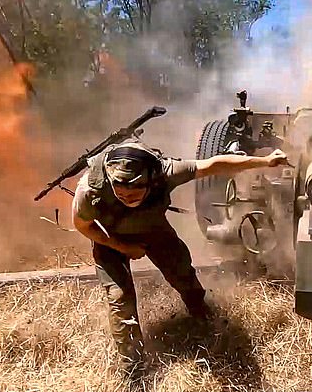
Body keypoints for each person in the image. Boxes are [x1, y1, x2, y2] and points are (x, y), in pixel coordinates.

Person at [71, 140, 289, 379]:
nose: (126, 198)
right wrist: (123, 246)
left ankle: (202, 316)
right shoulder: (91, 188)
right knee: (120, 301)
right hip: (109, 239)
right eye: (120, 194)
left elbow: (214, 164)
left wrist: (265, 161)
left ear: (150, 181)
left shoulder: (165, 172)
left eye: (134, 194)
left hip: (154, 230)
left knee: (183, 275)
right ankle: (133, 369)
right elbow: (83, 225)